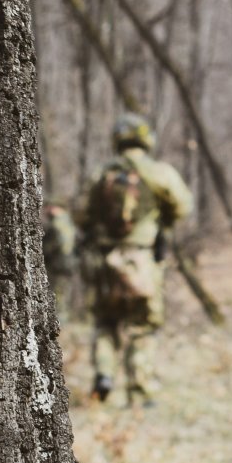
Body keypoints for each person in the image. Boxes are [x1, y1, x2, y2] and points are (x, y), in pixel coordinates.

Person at [77, 114, 194, 406]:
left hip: (104, 262)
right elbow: (183, 206)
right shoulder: (159, 172)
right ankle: (140, 391)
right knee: (143, 326)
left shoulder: (100, 173)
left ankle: (104, 374)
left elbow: (80, 214)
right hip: (141, 261)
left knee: (105, 322)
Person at [42, 201, 79, 317]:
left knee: (58, 296)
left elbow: (55, 244)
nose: (46, 211)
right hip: (66, 265)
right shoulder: (67, 222)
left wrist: (43, 253)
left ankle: (59, 322)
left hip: (58, 265)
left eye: (47, 207)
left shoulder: (57, 224)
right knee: (61, 295)